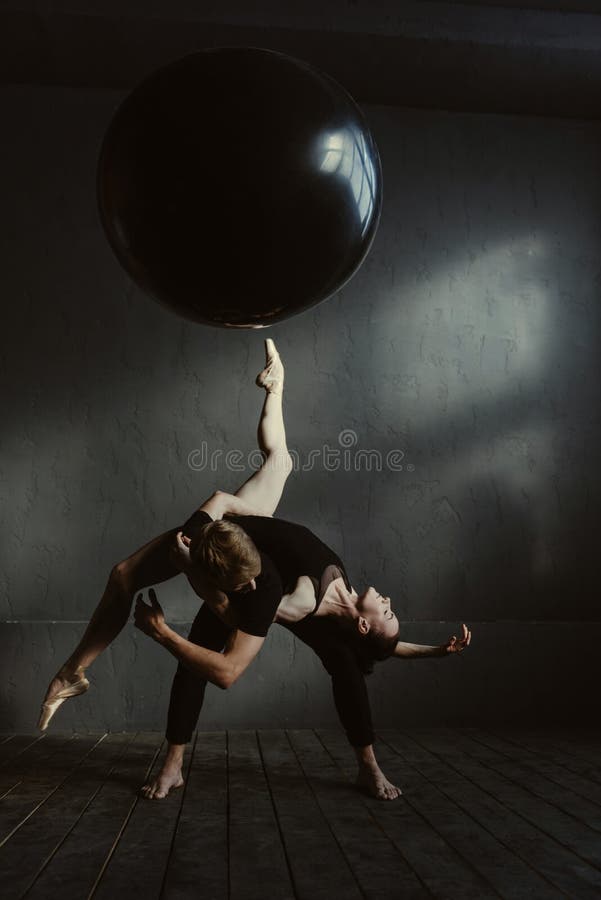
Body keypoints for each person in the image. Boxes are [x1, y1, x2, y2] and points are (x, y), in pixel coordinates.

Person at [38, 339, 471, 801]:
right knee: (281, 461)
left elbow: (237, 616)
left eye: (388, 610)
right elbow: (384, 645)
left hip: (235, 554)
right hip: (248, 523)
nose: (389, 601)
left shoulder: (292, 600)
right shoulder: (348, 598)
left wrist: (194, 572)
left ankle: (75, 675)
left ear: (364, 621)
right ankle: (275, 386)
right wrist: (434, 652)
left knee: (137, 588)